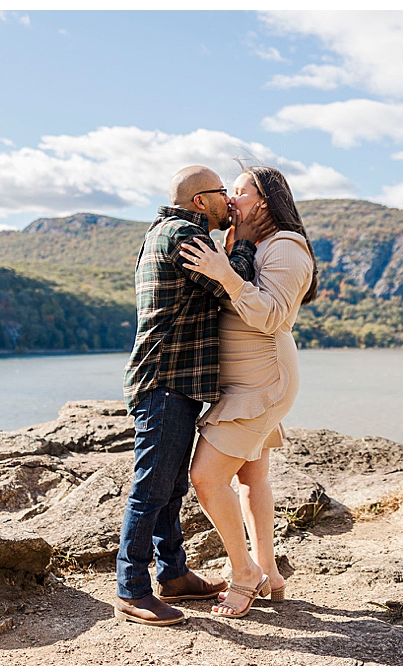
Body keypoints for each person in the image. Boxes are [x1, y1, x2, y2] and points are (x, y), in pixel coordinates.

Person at [181, 167, 321, 617]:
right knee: (250, 477)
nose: (230, 198)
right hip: (240, 377)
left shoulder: (286, 248)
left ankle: (244, 573)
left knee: (206, 477)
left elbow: (274, 316)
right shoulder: (247, 246)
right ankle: (269, 572)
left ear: (262, 201)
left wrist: (227, 275)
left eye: (238, 191)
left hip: (262, 380)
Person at [114, 165, 236, 627]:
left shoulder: (164, 232)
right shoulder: (185, 235)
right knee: (151, 488)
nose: (230, 200)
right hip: (165, 382)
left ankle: (174, 574)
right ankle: (132, 589)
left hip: (172, 382)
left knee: (171, 487)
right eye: (223, 193)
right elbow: (232, 278)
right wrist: (243, 235)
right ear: (200, 201)